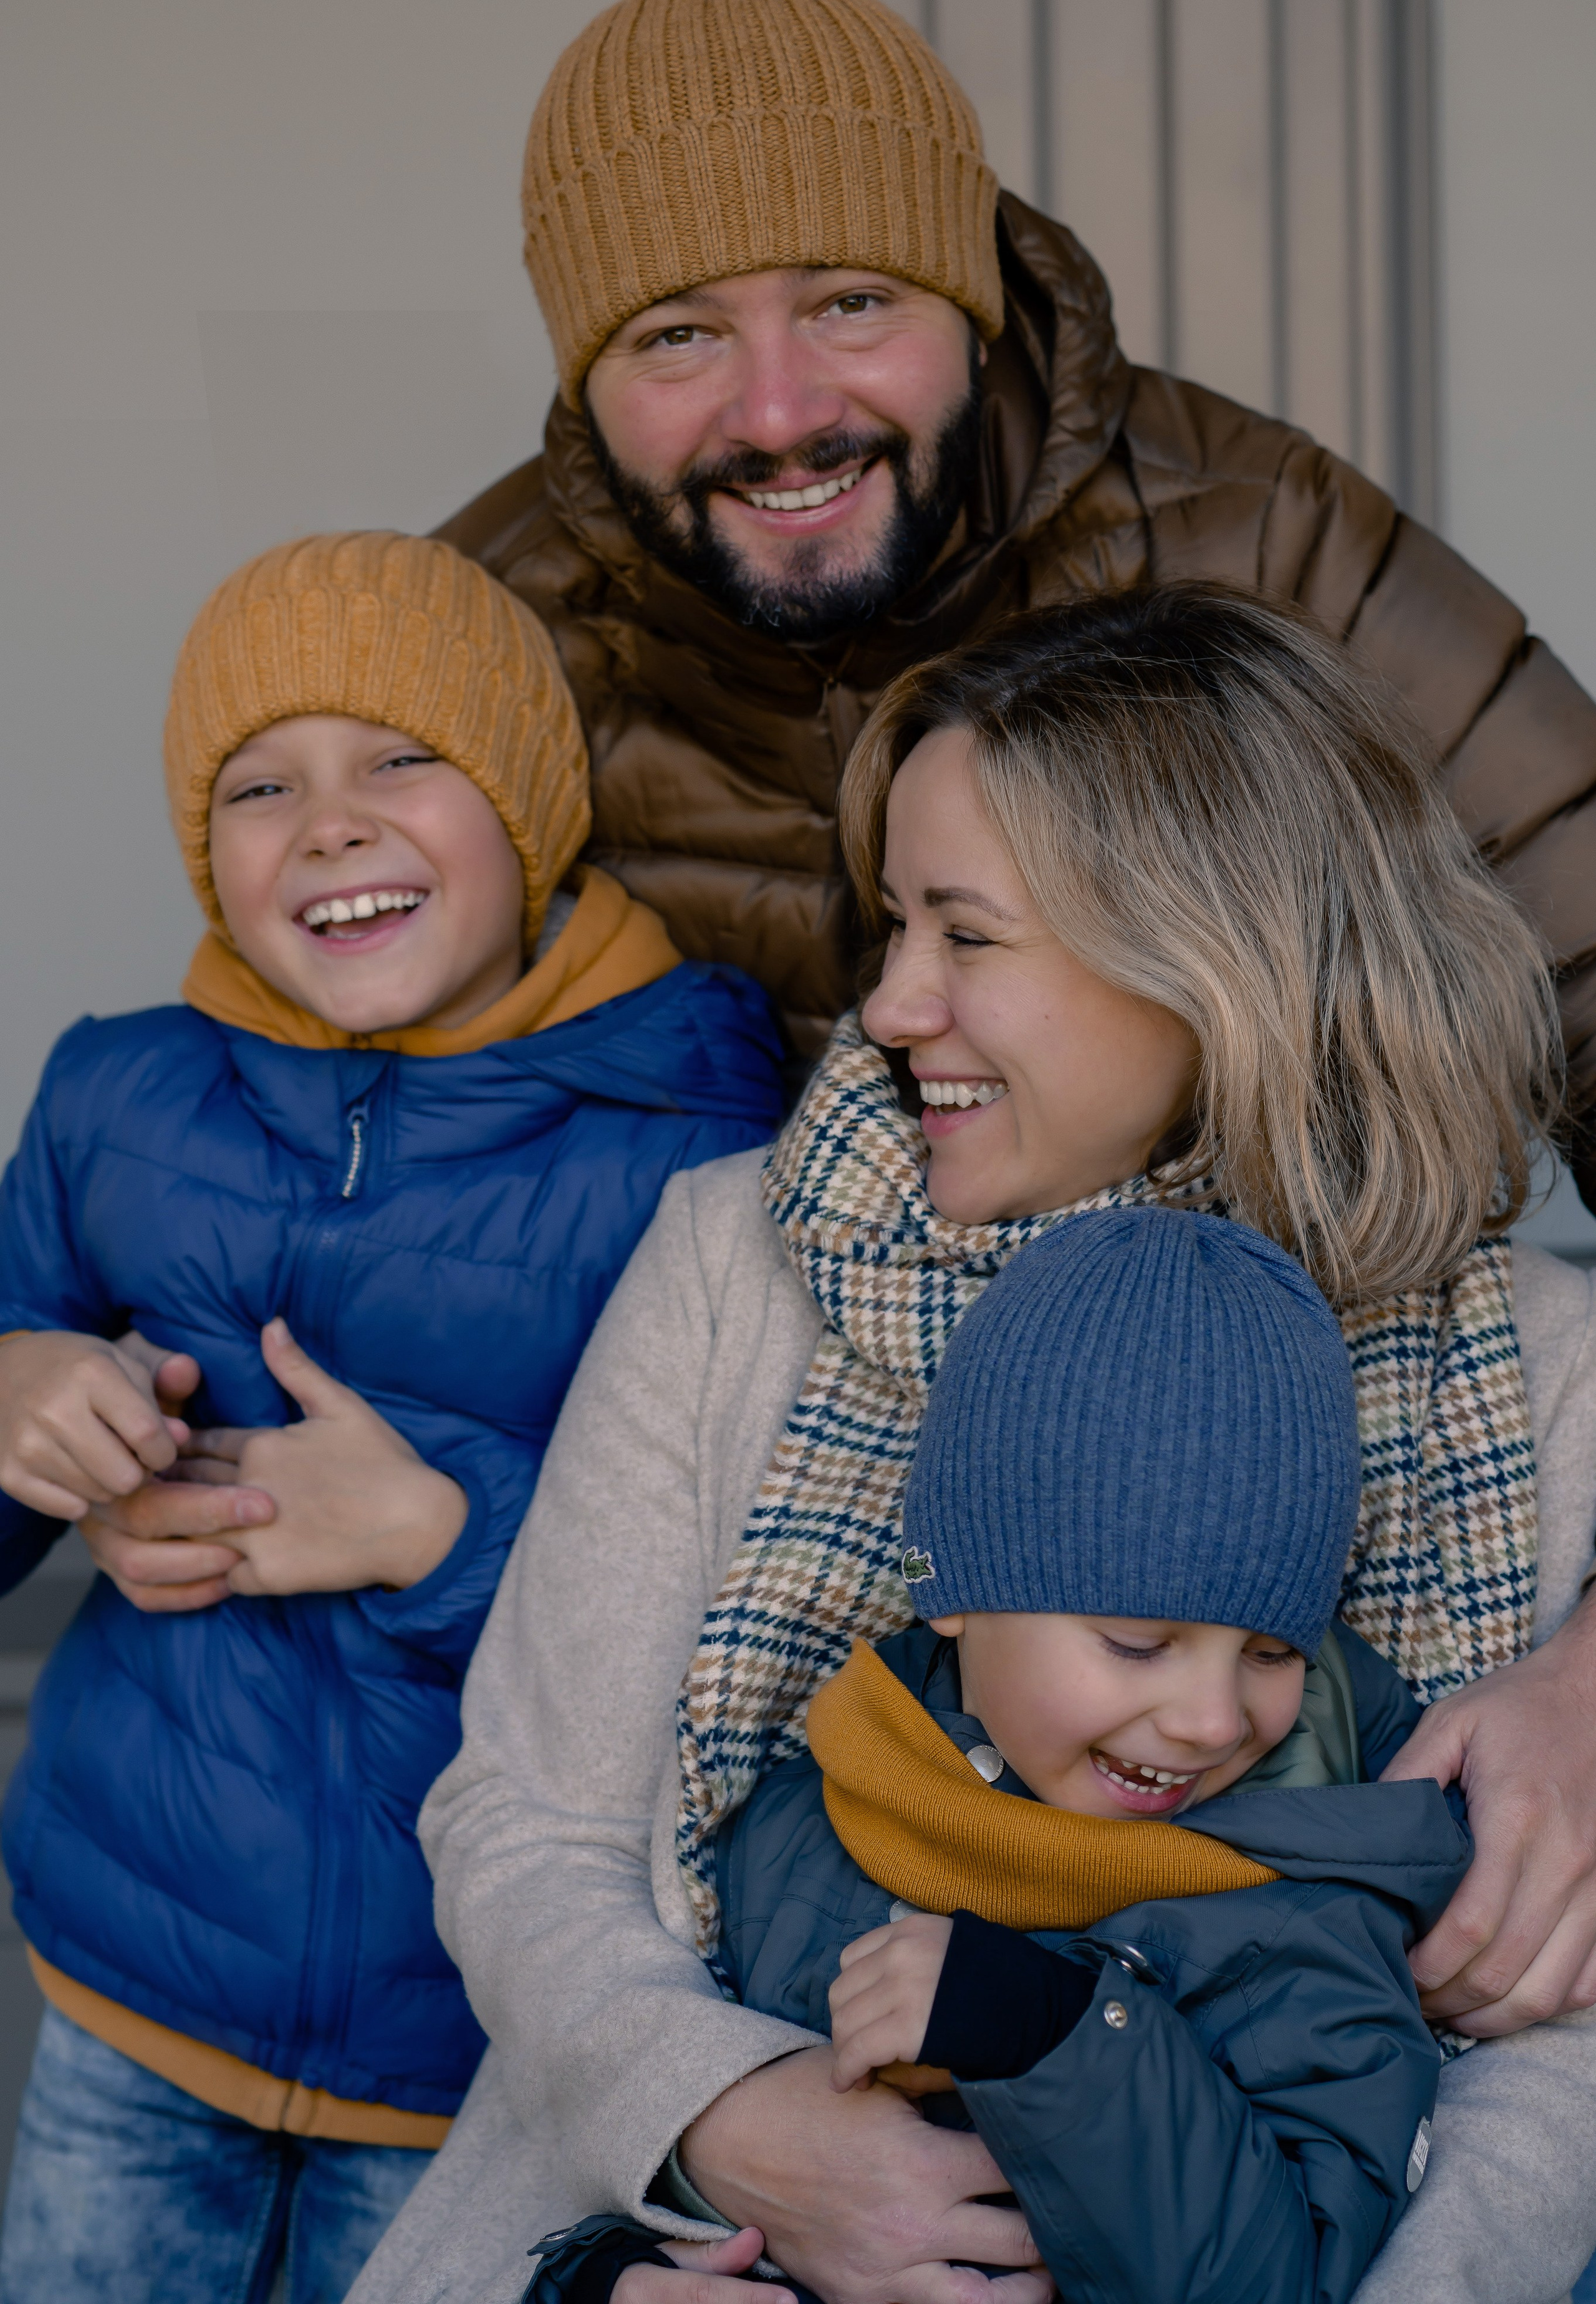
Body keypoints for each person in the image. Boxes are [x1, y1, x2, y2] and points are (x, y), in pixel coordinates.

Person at [346, 588, 1596, 2304]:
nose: (888, 1006)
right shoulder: (742, 1262)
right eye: (893, 926)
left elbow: (1548, 2029)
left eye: (966, 934)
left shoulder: (1515, 1362)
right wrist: (732, 2120)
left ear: (1208, 948)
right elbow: (529, 1826)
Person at [436, 0, 1596, 1207]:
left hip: (1228, 1332)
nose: (776, 412)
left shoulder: (1258, 539)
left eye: (850, 303)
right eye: (677, 335)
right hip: (708, 1364)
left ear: (971, 313)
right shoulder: (478, 631)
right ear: (582, 382)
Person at [0, 530, 782, 2303]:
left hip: (484, 2056)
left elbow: (762, 1606)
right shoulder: (116, 1090)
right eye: (261, 784)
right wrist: (18, 1392)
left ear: (531, 802)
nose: (331, 824)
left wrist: (443, 1532)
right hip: (130, 1982)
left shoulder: (702, 1144)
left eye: (402, 759)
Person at [535, 1206, 1472, 2304]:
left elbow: (1283, 2279)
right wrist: (611, 2274)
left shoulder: (1310, 1916)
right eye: (1138, 1641)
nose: (1214, 1721)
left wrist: (1060, 2033)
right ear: (957, 1595)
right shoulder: (801, 1824)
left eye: (1273, 1654)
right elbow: (746, 2191)